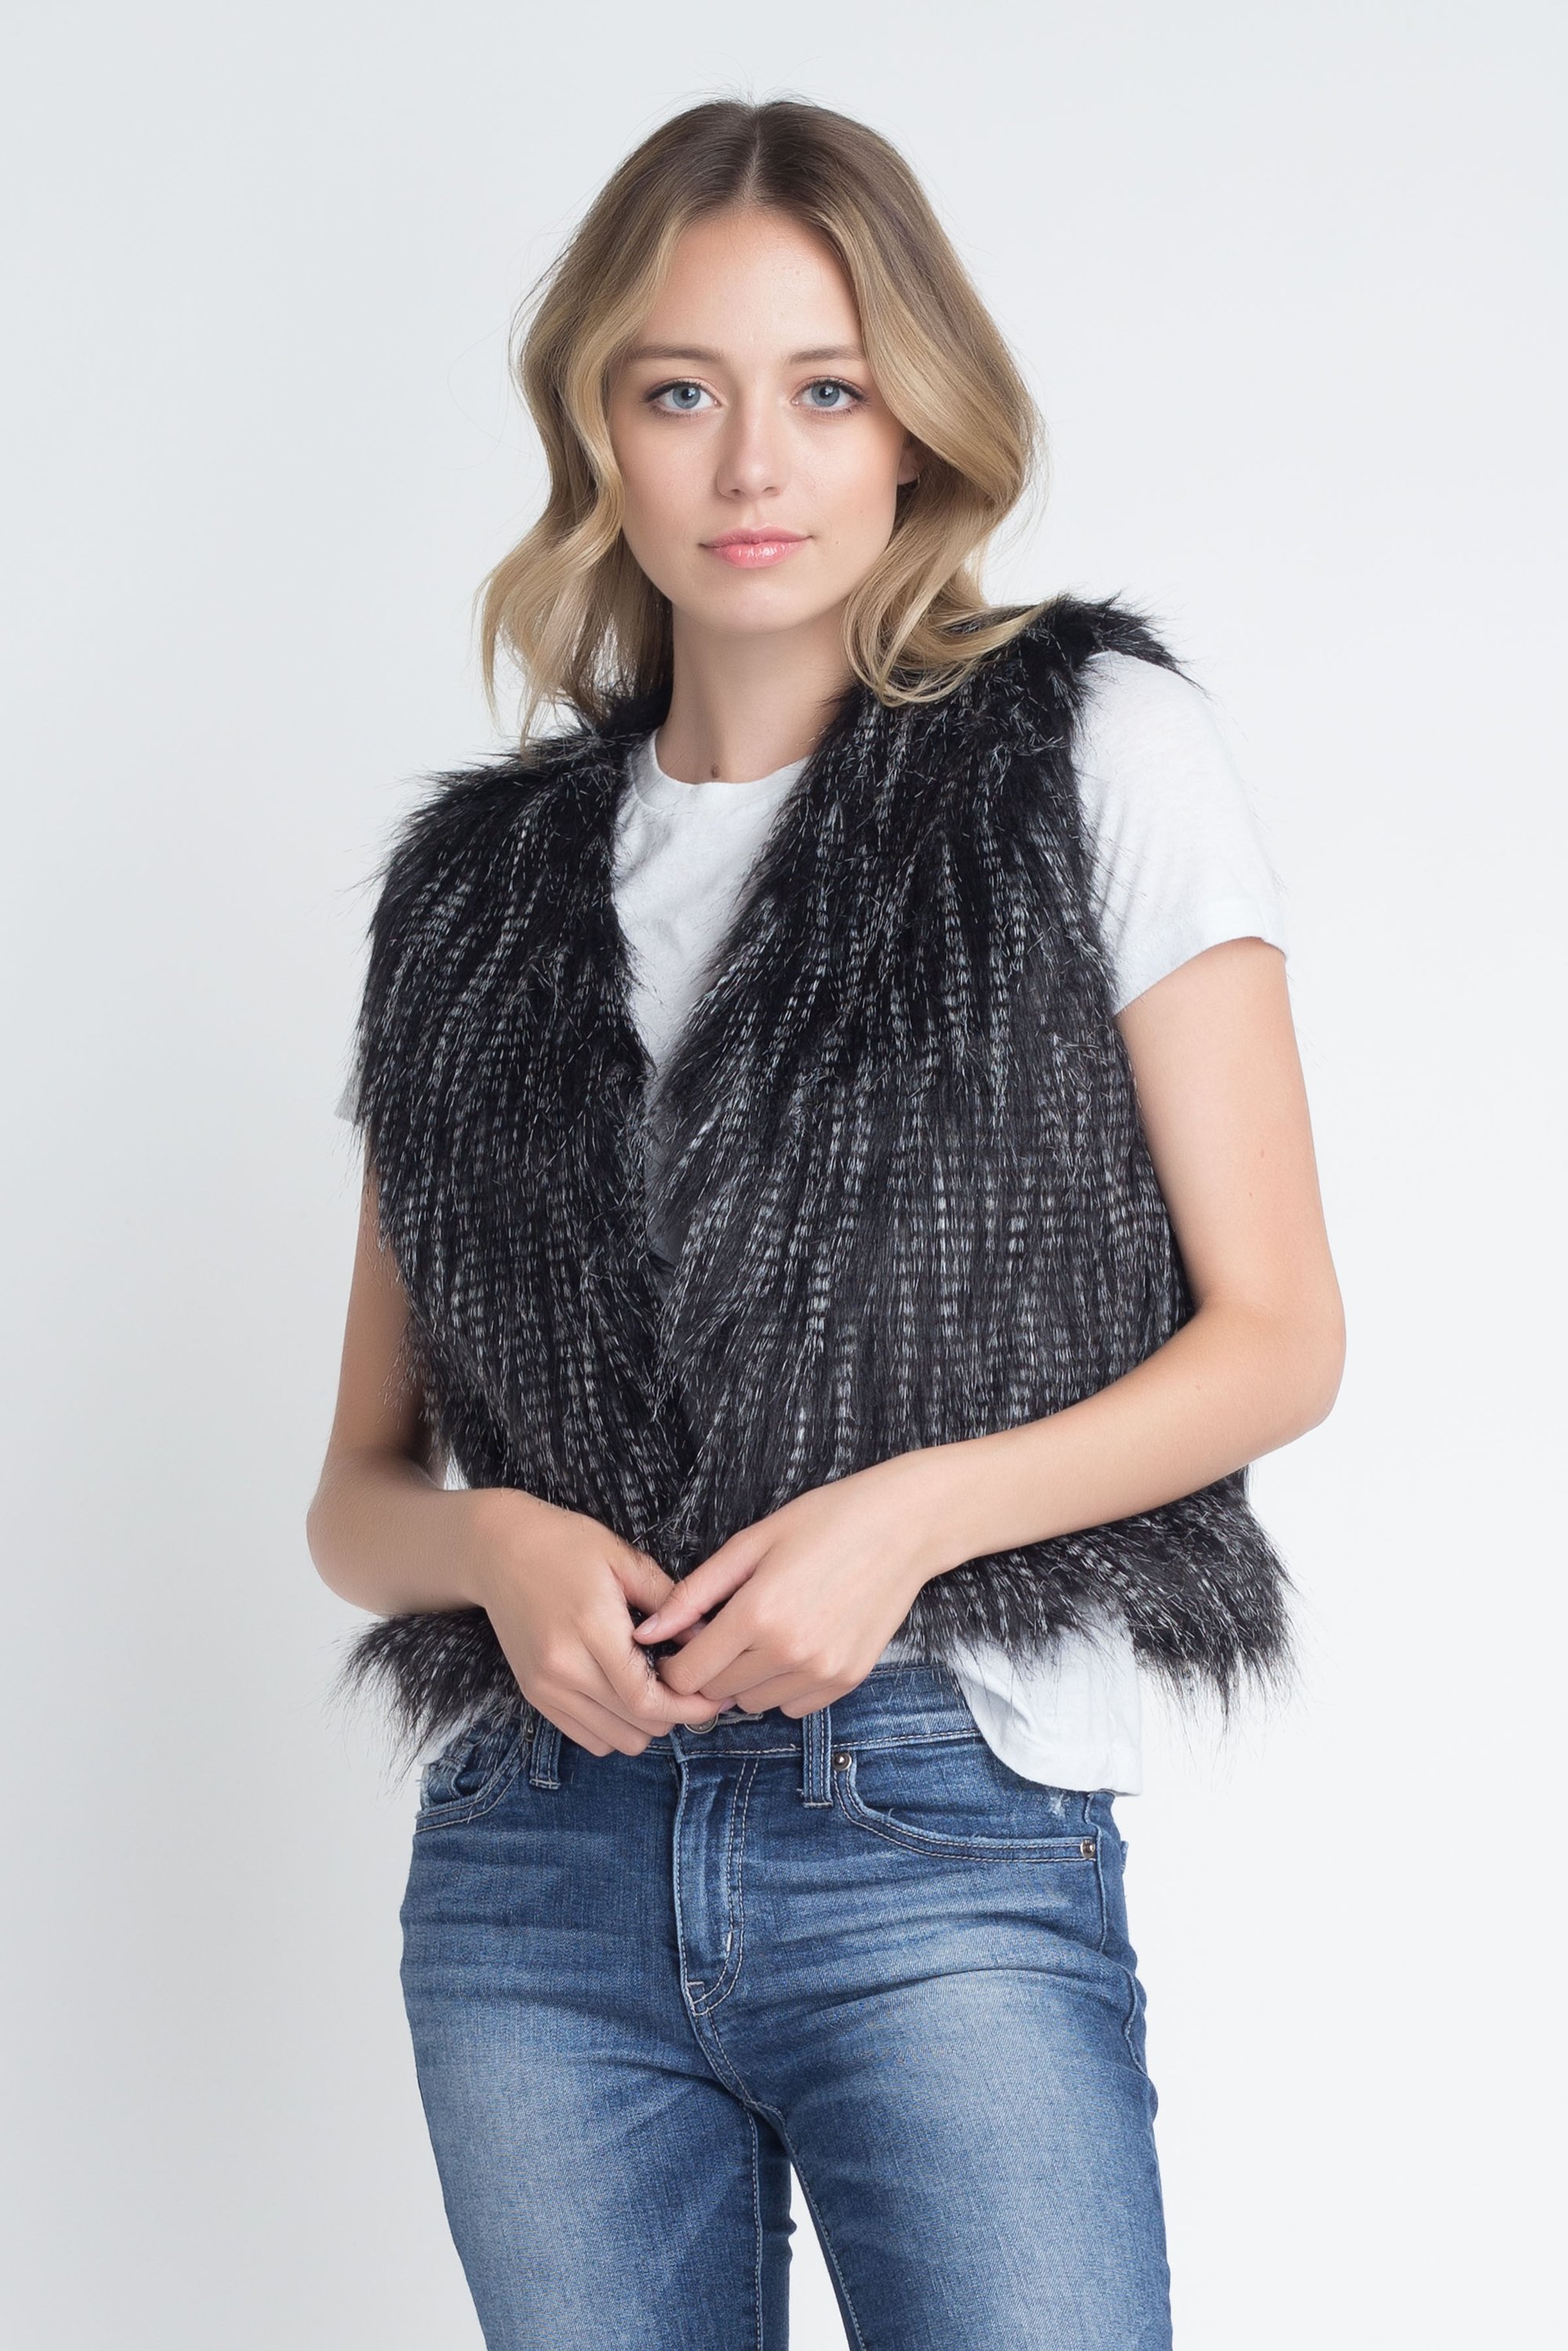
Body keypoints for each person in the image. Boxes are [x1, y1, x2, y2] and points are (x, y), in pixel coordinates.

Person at [306, 96, 1344, 2351]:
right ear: (598, 427)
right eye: (681, 391)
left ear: (917, 427)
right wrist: (498, 1548)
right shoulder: (470, 897)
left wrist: (904, 1522)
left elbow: (1277, 1335)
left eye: (827, 389)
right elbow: (357, 1496)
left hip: (935, 1828)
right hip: (535, 1872)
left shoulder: (1090, 749)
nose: (753, 464)